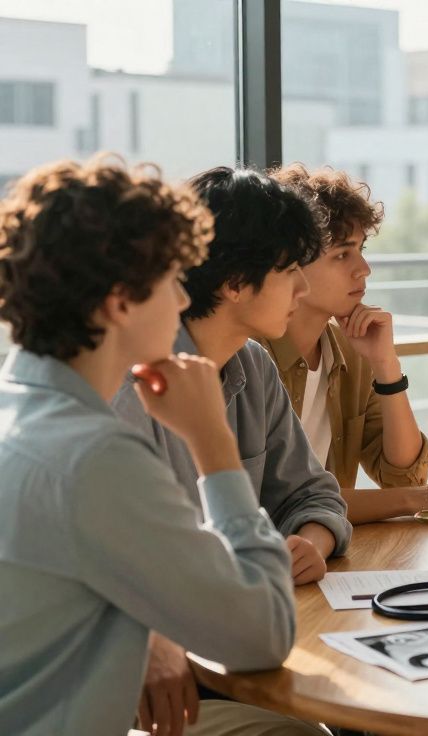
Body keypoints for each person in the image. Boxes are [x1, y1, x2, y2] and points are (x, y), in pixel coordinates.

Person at [0, 157, 302, 735]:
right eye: (172, 282)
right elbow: (262, 634)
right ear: (121, 301)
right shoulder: (94, 457)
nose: (185, 303)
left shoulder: (18, 411)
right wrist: (214, 443)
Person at [113, 166, 351, 581]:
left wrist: (311, 544)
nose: (303, 289)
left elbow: (311, 494)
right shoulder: (131, 390)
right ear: (236, 283)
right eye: (290, 269)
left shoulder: (253, 365)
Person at [265, 164, 428, 522]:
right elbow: (283, 503)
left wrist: (386, 366)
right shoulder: (251, 360)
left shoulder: (350, 350)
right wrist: (417, 499)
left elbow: (404, 474)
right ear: (291, 263)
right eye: (342, 254)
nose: (364, 268)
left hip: (330, 552)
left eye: (362, 249)